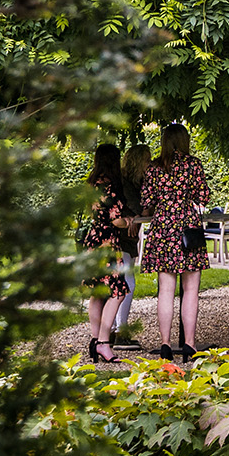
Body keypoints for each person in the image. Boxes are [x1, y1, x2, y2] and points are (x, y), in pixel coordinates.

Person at [141, 122, 212, 359]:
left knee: (165, 291)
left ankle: (165, 344)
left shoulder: (154, 167)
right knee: (191, 289)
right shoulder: (193, 164)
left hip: (162, 226)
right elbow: (203, 196)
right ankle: (190, 344)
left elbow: (146, 199)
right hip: (187, 226)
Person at [80, 143, 135, 363]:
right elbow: (115, 219)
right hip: (106, 243)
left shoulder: (92, 182)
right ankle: (103, 342)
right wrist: (128, 221)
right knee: (118, 291)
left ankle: (95, 340)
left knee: (97, 292)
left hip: (92, 240)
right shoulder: (110, 185)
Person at [111, 142, 152, 344]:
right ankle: (120, 331)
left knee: (118, 282)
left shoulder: (130, 182)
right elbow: (141, 210)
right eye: (147, 159)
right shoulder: (129, 185)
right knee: (127, 282)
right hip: (121, 239)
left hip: (124, 238)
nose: (150, 163)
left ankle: (111, 330)